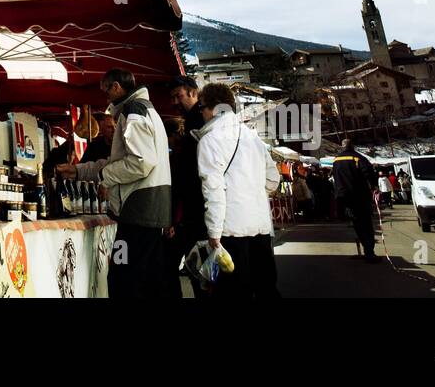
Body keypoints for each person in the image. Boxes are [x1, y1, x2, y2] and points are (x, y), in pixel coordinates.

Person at [56, 69, 173, 298]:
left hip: (138, 212)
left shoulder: (134, 110)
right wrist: (80, 171)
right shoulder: (145, 110)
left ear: (117, 86)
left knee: (122, 277)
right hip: (148, 211)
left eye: (106, 90)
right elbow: (119, 161)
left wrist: (104, 176)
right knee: (145, 279)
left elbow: (141, 162)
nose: (105, 97)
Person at [195, 83, 280, 299]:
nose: (201, 112)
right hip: (260, 227)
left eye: (201, 107)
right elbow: (273, 180)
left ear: (214, 108)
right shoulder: (253, 138)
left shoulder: (209, 141)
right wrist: (252, 194)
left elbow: (213, 191)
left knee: (234, 292)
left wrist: (213, 233)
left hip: (231, 231)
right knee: (266, 289)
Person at [167, 76, 207, 295]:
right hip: (193, 211)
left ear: (193, 92)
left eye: (178, 96)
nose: (174, 102)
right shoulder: (193, 120)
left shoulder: (199, 120)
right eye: (172, 97)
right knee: (199, 270)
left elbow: (193, 172)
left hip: (197, 210)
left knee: (200, 270)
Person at [333, 139, 380, 262]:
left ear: (342, 147)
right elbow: (368, 172)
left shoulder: (336, 160)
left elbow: (335, 178)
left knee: (357, 223)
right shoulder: (358, 158)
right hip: (360, 195)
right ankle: (369, 252)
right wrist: (374, 186)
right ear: (352, 146)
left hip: (345, 197)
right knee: (366, 223)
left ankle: (366, 250)